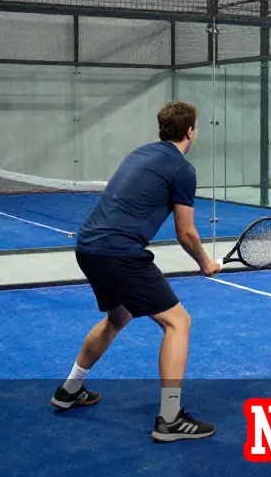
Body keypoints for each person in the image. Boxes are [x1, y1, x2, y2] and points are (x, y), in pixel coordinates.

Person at [50, 101, 222, 443]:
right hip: (120, 252)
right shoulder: (183, 169)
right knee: (178, 322)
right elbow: (186, 232)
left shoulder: (140, 153)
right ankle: (170, 418)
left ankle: (70, 389)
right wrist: (205, 262)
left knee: (118, 317)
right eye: (197, 127)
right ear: (189, 131)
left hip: (88, 246)